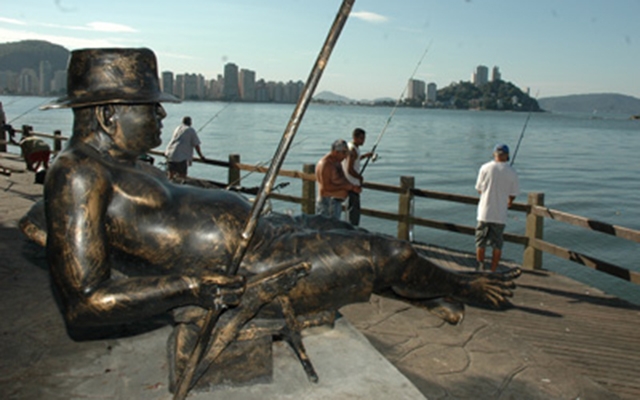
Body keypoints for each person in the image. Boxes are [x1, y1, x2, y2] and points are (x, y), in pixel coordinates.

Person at [19, 47, 519, 392]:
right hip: (252, 265)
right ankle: (462, 287)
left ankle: (431, 289)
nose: (163, 119)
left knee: (354, 232)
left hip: (269, 231)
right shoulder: (78, 172)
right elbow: (85, 303)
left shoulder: (121, 161)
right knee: (392, 254)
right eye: (151, 108)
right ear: (110, 114)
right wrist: (192, 287)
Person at [475, 144, 520, 272]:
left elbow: (479, 189)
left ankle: (480, 268)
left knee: (480, 242)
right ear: (507, 156)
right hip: (500, 215)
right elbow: (513, 194)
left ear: (494, 154)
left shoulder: (484, 168)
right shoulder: (512, 172)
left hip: (484, 212)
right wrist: (509, 201)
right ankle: (493, 271)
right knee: (497, 245)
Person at [315, 139, 361, 219]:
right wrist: (346, 187)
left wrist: (353, 187)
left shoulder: (337, 162)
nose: (345, 156)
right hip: (328, 203)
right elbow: (325, 187)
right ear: (335, 152)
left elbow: (342, 178)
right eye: (343, 153)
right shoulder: (326, 164)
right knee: (328, 229)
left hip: (336, 203)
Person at [341, 128, 373, 226]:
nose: (363, 140)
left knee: (350, 208)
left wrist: (365, 156)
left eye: (364, 138)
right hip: (352, 184)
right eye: (361, 138)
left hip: (347, 182)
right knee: (354, 210)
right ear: (355, 138)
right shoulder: (352, 150)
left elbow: (355, 160)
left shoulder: (351, 147)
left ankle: (350, 228)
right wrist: (359, 177)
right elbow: (349, 169)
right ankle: (353, 230)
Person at [164, 116, 206, 180]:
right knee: (182, 175)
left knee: (171, 174)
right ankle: (180, 187)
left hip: (170, 153)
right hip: (180, 156)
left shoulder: (177, 128)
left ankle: (170, 185)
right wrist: (201, 156)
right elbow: (196, 145)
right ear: (190, 122)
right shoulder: (190, 130)